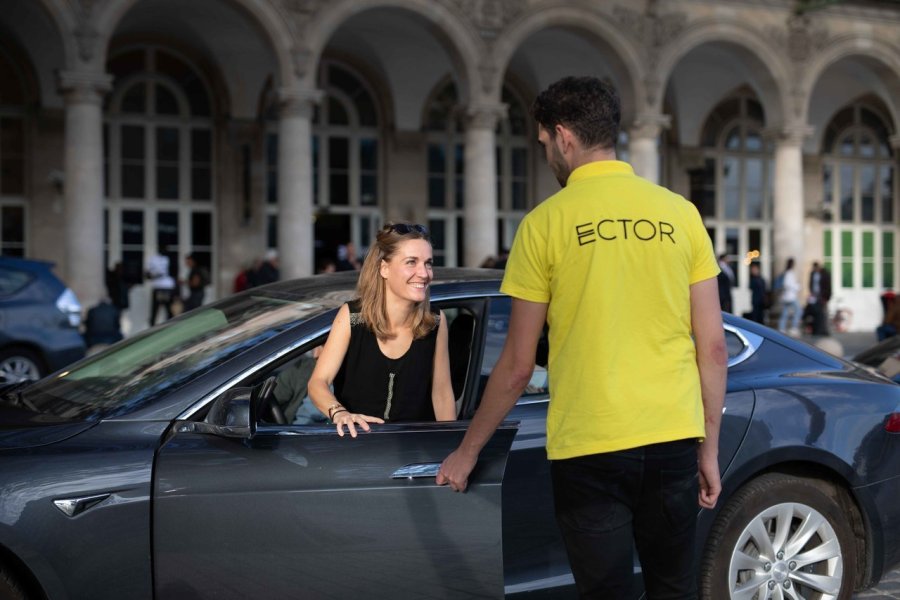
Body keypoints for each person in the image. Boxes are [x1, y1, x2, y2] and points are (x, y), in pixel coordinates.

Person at [436, 76, 727, 599]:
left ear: (564, 136)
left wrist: (467, 450)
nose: (546, 152)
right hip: (672, 439)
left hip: (590, 447)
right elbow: (713, 348)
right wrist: (708, 449)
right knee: (674, 589)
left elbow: (518, 365)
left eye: (544, 141)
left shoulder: (544, 224)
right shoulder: (680, 214)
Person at [308, 223, 457, 437]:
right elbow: (317, 382)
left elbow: (442, 394)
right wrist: (339, 413)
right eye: (411, 262)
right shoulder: (353, 317)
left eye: (428, 263)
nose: (423, 273)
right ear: (384, 268)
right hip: (358, 450)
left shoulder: (435, 321)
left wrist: (449, 446)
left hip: (416, 454)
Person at [145, 251, 176, 326]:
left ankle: (168, 326)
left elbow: (148, 275)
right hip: (166, 287)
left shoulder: (157, 260)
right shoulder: (166, 259)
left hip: (161, 287)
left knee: (158, 310)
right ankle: (168, 326)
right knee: (165, 311)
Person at [777, 258, 802, 335]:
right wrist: (797, 286)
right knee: (799, 311)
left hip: (786, 297)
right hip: (790, 297)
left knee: (785, 312)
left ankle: (781, 327)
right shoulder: (789, 273)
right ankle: (793, 327)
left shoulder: (786, 273)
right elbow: (787, 284)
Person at [807, 261, 832, 335]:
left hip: (823, 295)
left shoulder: (825, 273)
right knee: (816, 313)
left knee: (824, 313)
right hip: (815, 296)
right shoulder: (812, 274)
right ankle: (817, 330)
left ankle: (825, 330)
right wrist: (811, 293)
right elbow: (811, 284)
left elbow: (828, 286)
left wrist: (826, 297)